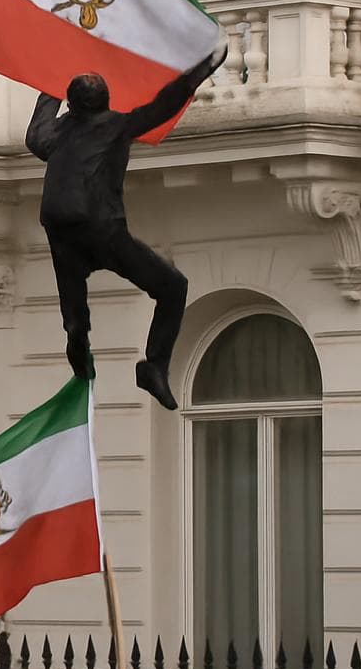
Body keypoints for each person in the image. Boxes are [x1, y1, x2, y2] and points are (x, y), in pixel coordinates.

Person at [25, 48, 225, 409]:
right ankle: (154, 365)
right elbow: (162, 105)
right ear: (106, 101)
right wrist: (199, 71)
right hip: (101, 227)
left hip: (59, 226)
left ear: (71, 104)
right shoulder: (115, 126)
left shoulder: (56, 135)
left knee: (73, 296)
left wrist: (50, 80)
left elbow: (35, 135)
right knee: (172, 287)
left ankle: (77, 336)